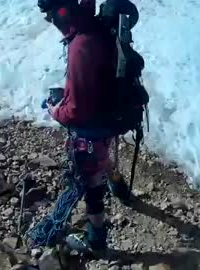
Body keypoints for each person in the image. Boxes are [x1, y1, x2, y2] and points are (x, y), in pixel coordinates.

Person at [40, 0, 130, 254]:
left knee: (91, 183)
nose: (51, 22)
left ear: (62, 12)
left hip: (93, 125)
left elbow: (75, 111)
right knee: (103, 155)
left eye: (51, 16)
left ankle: (96, 239)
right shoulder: (92, 23)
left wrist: (53, 109)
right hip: (110, 113)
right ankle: (120, 187)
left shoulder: (80, 46)